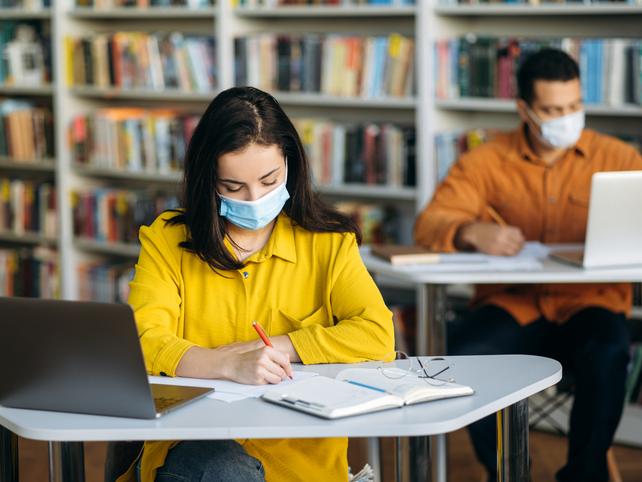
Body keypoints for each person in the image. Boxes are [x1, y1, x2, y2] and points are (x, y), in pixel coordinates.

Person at [114, 86, 395, 482]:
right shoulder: (166, 240)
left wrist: (279, 347)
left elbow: (376, 335)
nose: (254, 199)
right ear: (207, 180)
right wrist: (225, 363)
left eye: (269, 180)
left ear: (290, 166)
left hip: (300, 459)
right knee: (220, 469)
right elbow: (140, 341)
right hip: (194, 449)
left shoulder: (329, 242)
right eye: (232, 188)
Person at [414, 48, 642, 482]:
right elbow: (431, 223)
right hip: (514, 306)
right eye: (553, 110)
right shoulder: (487, 160)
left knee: (610, 352)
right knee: (458, 360)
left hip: (590, 306)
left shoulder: (620, 159)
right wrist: (470, 231)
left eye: (575, 107)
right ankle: (508, 471)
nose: (567, 117)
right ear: (524, 109)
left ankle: (585, 475)